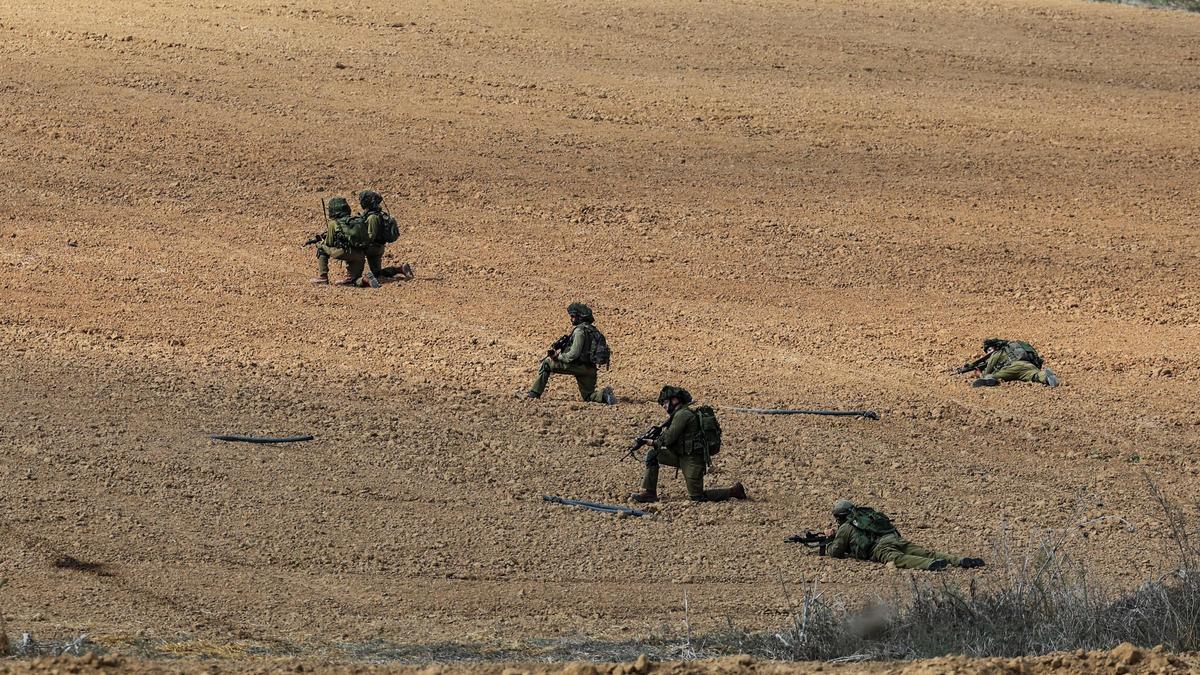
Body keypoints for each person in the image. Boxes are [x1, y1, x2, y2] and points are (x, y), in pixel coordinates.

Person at [629, 386, 747, 504]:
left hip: (692, 459)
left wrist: (651, 442)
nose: (664, 406)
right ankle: (649, 494)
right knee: (653, 455)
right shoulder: (678, 415)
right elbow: (669, 435)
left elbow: (669, 438)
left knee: (698, 497)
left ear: (675, 400)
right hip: (679, 455)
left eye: (665, 402)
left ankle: (734, 491)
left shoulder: (683, 415)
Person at [821, 500, 984, 571]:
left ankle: (930, 564)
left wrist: (829, 539)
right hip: (893, 537)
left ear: (838, 516)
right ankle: (959, 560)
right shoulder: (865, 516)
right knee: (926, 551)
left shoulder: (846, 527)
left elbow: (836, 552)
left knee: (899, 559)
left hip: (880, 548)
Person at [527, 303, 615, 404]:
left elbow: (573, 354)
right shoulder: (594, 331)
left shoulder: (579, 332)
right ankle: (603, 395)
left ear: (580, 317)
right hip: (590, 370)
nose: (571, 319)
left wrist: (558, 356)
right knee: (588, 396)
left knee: (546, 363)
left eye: (573, 316)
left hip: (578, 366)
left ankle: (534, 394)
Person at [310, 196, 369, 286]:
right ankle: (365, 280)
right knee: (353, 280)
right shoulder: (357, 221)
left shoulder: (333, 223)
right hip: (360, 255)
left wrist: (322, 240)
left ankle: (323, 277)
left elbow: (328, 243)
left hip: (344, 252)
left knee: (321, 247)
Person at [358, 190, 413, 285]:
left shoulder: (372, 217)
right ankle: (400, 269)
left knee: (352, 252)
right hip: (379, 247)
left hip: (372, 248)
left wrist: (358, 243)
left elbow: (371, 236)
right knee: (377, 274)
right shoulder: (379, 214)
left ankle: (352, 277)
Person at [965, 338, 1058, 388]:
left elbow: (988, 371)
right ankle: (1046, 376)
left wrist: (980, 374)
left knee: (992, 375)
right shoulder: (1010, 352)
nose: (989, 352)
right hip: (1028, 365)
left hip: (1012, 368)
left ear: (996, 348)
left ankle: (990, 381)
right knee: (1034, 376)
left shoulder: (996, 354)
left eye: (989, 349)